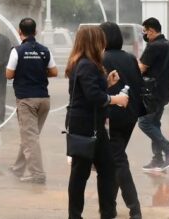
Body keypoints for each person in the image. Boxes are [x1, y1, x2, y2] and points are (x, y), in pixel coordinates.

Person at [66, 24, 129, 219]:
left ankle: (106, 212)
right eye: (101, 41)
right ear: (93, 42)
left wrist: (107, 83)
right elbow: (93, 96)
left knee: (105, 169)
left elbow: (88, 91)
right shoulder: (86, 64)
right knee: (82, 173)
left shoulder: (84, 63)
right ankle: (77, 215)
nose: (104, 44)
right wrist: (116, 99)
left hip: (91, 124)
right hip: (86, 126)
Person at [5, 17, 57, 184]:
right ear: (36, 32)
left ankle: (38, 174)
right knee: (30, 136)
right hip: (44, 100)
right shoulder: (44, 50)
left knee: (30, 138)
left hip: (27, 100)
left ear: (19, 32)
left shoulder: (17, 51)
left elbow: (8, 74)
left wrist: (23, 71)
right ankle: (18, 167)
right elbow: (54, 72)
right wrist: (39, 72)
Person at [102, 21, 144, 219]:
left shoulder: (102, 58)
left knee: (117, 161)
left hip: (112, 115)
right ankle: (109, 207)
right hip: (130, 114)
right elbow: (138, 84)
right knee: (114, 159)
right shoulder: (130, 58)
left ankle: (134, 208)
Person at [137, 17, 169, 172]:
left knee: (144, 123)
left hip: (151, 93)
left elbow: (141, 68)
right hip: (163, 92)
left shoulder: (153, 46)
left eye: (145, 31)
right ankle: (157, 159)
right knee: (154, 124)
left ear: (151, 30)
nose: (145, 35)